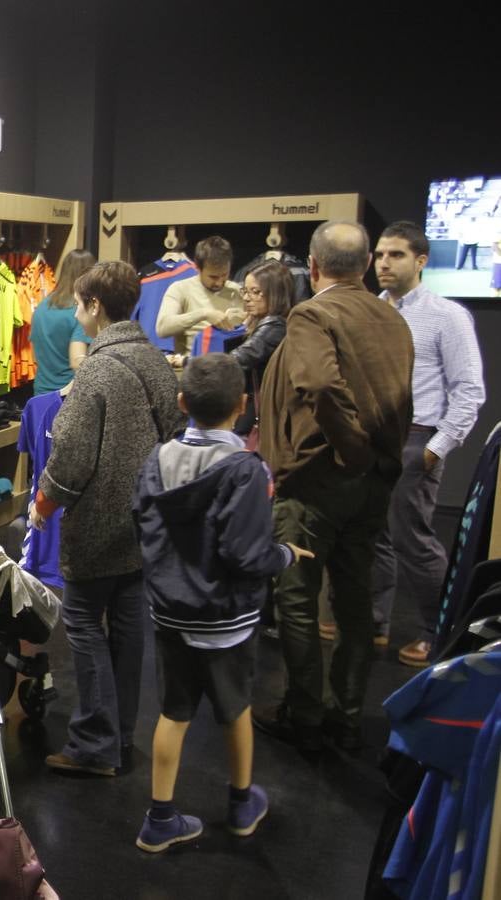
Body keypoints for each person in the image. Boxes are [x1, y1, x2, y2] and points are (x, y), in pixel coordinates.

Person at [132, 354, 313, 852]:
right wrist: (283, 554)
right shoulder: (245, 470)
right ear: (243, 406)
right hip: (227, 619)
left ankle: (160, 818)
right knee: (236, 711)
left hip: (170, 611)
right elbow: (246, 552)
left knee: (173, 712)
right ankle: (240, 804)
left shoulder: (158, 459)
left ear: (181, 402)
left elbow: (143, 524)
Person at [254, 221, 413, 755]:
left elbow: (319, 384)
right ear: (366, 264)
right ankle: (346, 716)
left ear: (314, 268)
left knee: (297, 597)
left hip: (321, 479)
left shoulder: (312, 314)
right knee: (354, 598)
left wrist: (347, 447)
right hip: (374, 482)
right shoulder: (391, 317)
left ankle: (304, 714)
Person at [30, 260, 186, 776]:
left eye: (79, 303)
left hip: (98, 521)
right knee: (127, 627)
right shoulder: (157, 361)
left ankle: (94, 743)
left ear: (96, 306)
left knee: (81, 622)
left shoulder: (97, 367)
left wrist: (44, 502)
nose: (77, 312)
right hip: (145, 520)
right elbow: (174, 432)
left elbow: (71, 453)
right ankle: (118, 739)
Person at [371, 221, 485, 665]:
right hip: (374, 439)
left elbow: (469, 389)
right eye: (380, 254)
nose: (384, 262)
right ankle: (375, 621)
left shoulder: (447, 315)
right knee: (374, 536)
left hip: (418, 438)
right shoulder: (372, 311)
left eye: (396, 255)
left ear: (420, 261)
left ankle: (438, 632)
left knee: (413, 541)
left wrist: (438, 446)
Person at [229, 259, 294, 440]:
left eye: (255, 292)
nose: (247, 298)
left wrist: (188, 362)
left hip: (263, 417)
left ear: (275, 294)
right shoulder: (271, 323)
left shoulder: (274, 326)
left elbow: (238, 359)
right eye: (245, 291)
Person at [155, 235, 244, 358]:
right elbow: (162, 328)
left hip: (231, 368)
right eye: (213, 277)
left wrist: (244, 317)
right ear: (197, 268)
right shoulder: (180, 289)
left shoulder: (238, 291)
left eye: (224, 275)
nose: (219, 282)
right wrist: (203, 314)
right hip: (194, 370)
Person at [30, 248, 96, 395]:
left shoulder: (42, 307)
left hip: (41, 393)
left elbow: (34, 357)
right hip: (68, 395)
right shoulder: (79, 312)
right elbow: (76, 361)